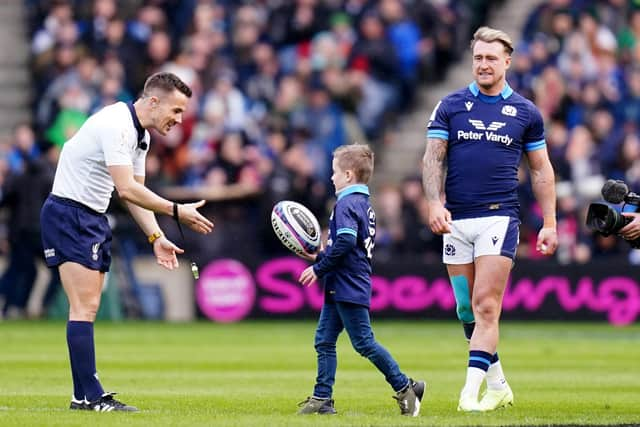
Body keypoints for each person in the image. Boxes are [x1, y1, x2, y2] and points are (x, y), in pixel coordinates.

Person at [40, 72, 214, 412]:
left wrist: (157, 236)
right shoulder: (117, 124)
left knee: (86, 308)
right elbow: (127, 189)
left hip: (89, 217)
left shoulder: (140, 137)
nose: (179, 120)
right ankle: (91, 397)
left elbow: (135, 196)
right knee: (85, 307)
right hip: (70, 213)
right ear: (153, 101)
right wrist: (177, 211)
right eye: (176, 111)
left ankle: (83, 397)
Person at [422, 27, 558, 412]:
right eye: (478, 58)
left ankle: (469, 395)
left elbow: (541, 170)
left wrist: (549, 222)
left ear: (507, 62)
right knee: (466, 309)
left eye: (491, 58)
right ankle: (497, 384)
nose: (483, 64)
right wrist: (434, 203)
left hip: (499, 219)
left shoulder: (526, 113)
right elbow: (433, 157)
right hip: (456, 220)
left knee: (485, 306)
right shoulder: (449, 105)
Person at [297, 143, 425, 417]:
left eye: (335, 172)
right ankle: (322, 398)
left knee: (364, 342)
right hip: (343, 282)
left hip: (347, 284)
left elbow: (344, 241)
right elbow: (346, 245)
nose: (331, 177)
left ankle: (406, 388)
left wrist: (319, 268)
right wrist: (321, 255)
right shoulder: (362, 204)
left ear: (348, 175)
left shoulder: (346, 203)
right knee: (324, 340)